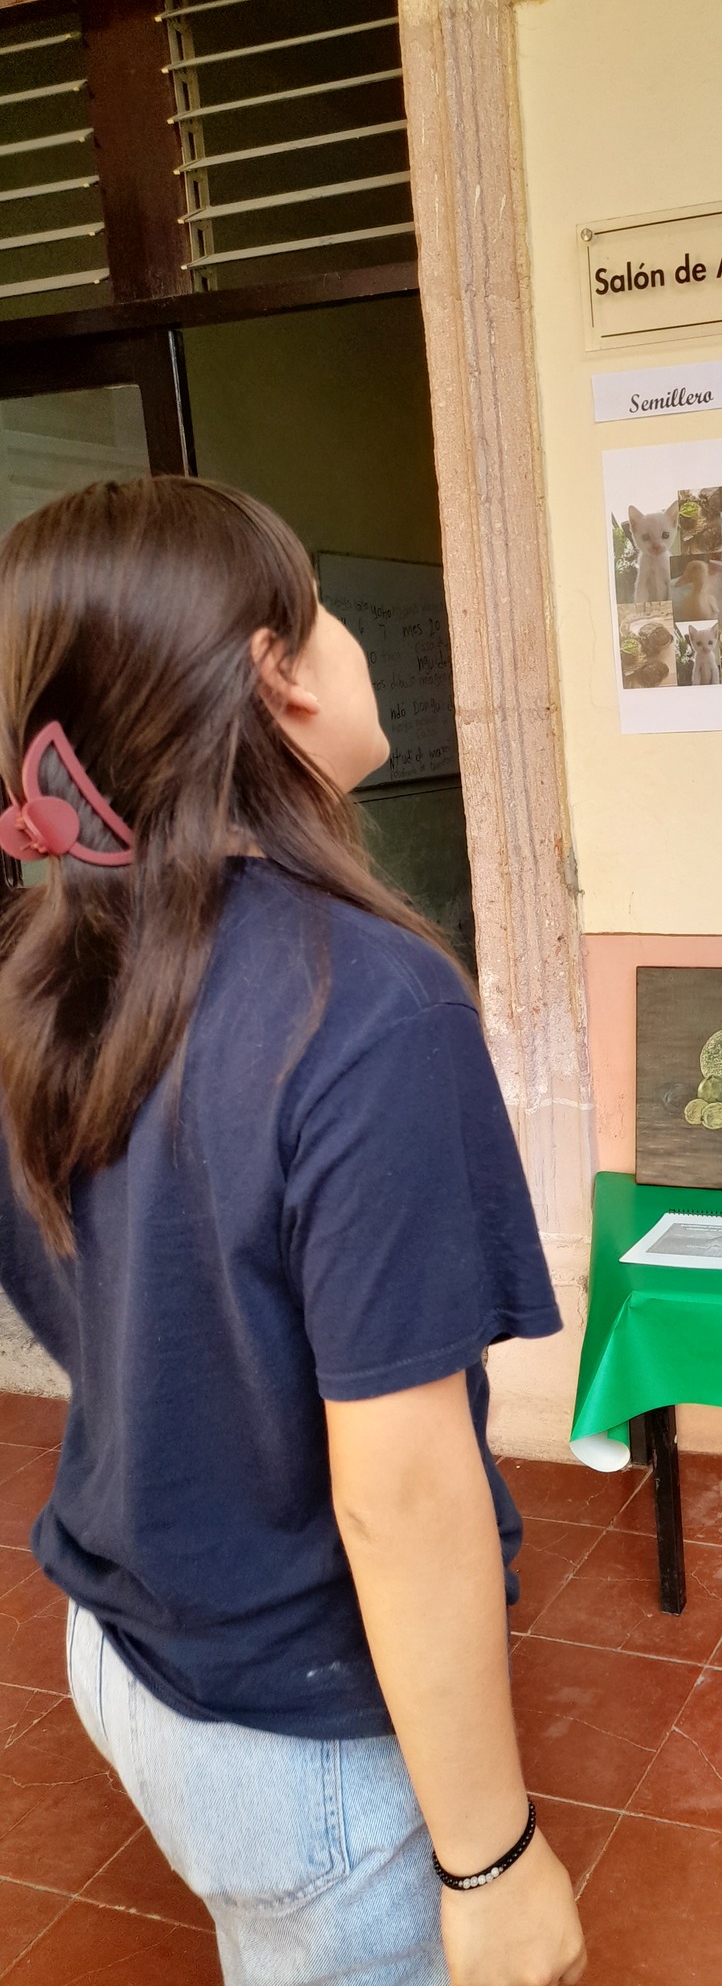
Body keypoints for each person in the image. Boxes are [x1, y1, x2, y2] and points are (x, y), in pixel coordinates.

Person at [0, 478, 587, 1986]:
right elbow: (398, 1489)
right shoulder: (367, 1005)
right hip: (299, 1732)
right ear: (283, 670)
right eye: (325, 604)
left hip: (129, 1651)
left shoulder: (45, 971)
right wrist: (495, 1857)